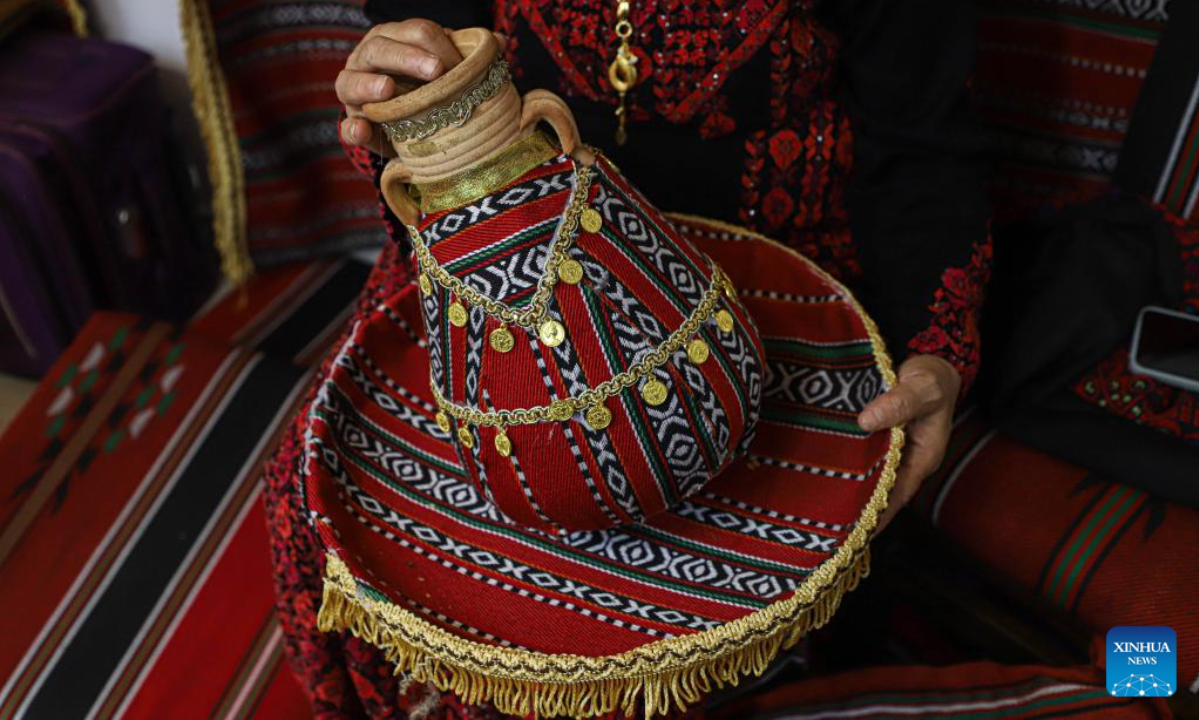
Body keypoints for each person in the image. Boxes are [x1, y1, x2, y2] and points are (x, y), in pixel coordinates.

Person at [268, 0, 991, 715]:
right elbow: (424, 45)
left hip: (757, 282)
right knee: (340, 501)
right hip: (499, 250)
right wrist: (399, 98)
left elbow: (921, 146)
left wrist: (938, 348)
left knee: (691, 598)